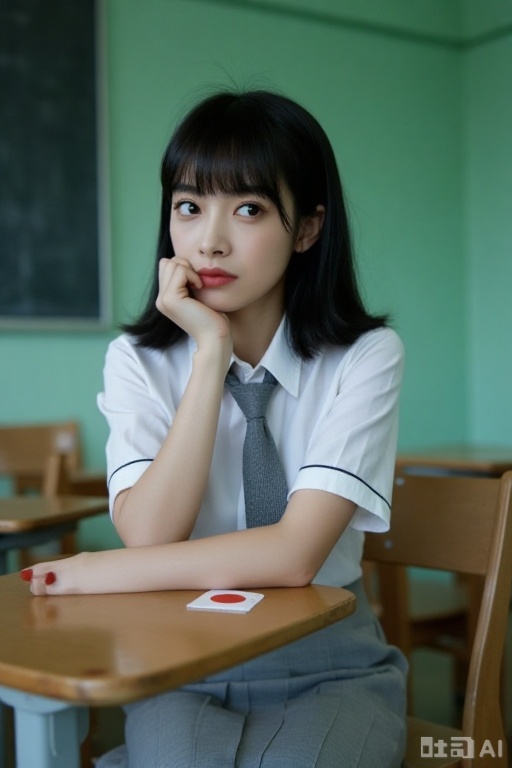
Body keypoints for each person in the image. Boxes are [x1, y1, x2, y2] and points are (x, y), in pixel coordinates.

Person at [23, 89, 407, 767]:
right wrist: (209, 354)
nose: (210, 241)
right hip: (181, 665)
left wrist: (105, 573)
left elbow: (294, 556)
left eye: (249, 209)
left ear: (308, 228)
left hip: (329, 664)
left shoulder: (366, 357)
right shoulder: (136, 360)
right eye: (190, 206)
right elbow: (149, 531)